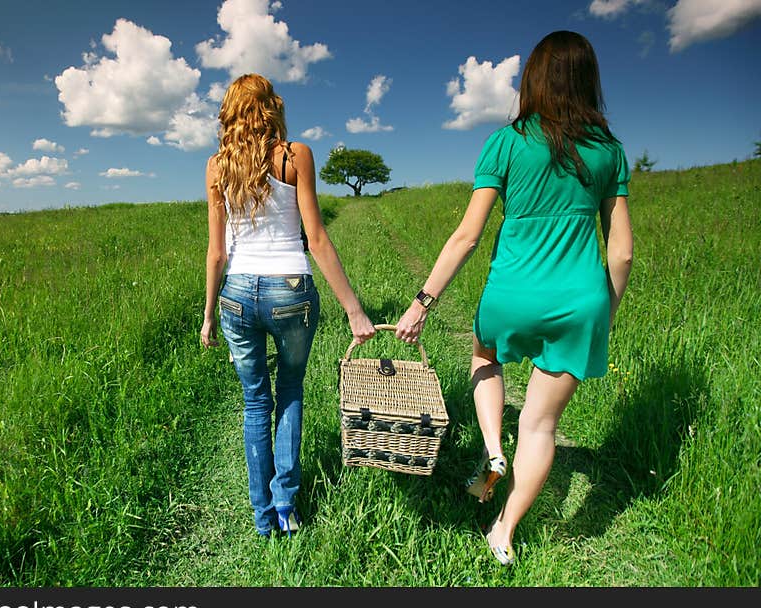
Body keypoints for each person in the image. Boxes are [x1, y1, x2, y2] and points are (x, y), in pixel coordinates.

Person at [394, 30, 634, 565]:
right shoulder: (610, 153)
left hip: (511, 293)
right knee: (543, 424)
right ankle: (504, 530)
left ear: (532, 80)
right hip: (580, 302)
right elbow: (620, 255)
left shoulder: (506, 142)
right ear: (588, 82)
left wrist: (422, 303)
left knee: (484, 356)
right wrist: (602, 314)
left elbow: (467, 235)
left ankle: (494, 450)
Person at [200, 73, 376, 538]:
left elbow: (217, 252)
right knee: (291, 391)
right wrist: (354, 310)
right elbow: (314, 238)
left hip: (236, 295)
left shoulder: (216, 167)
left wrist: (207, 316)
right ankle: (285, 507)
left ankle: (262, 520)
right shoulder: (295, 155)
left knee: (255, 403)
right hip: (290, 290)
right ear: (271, 107)